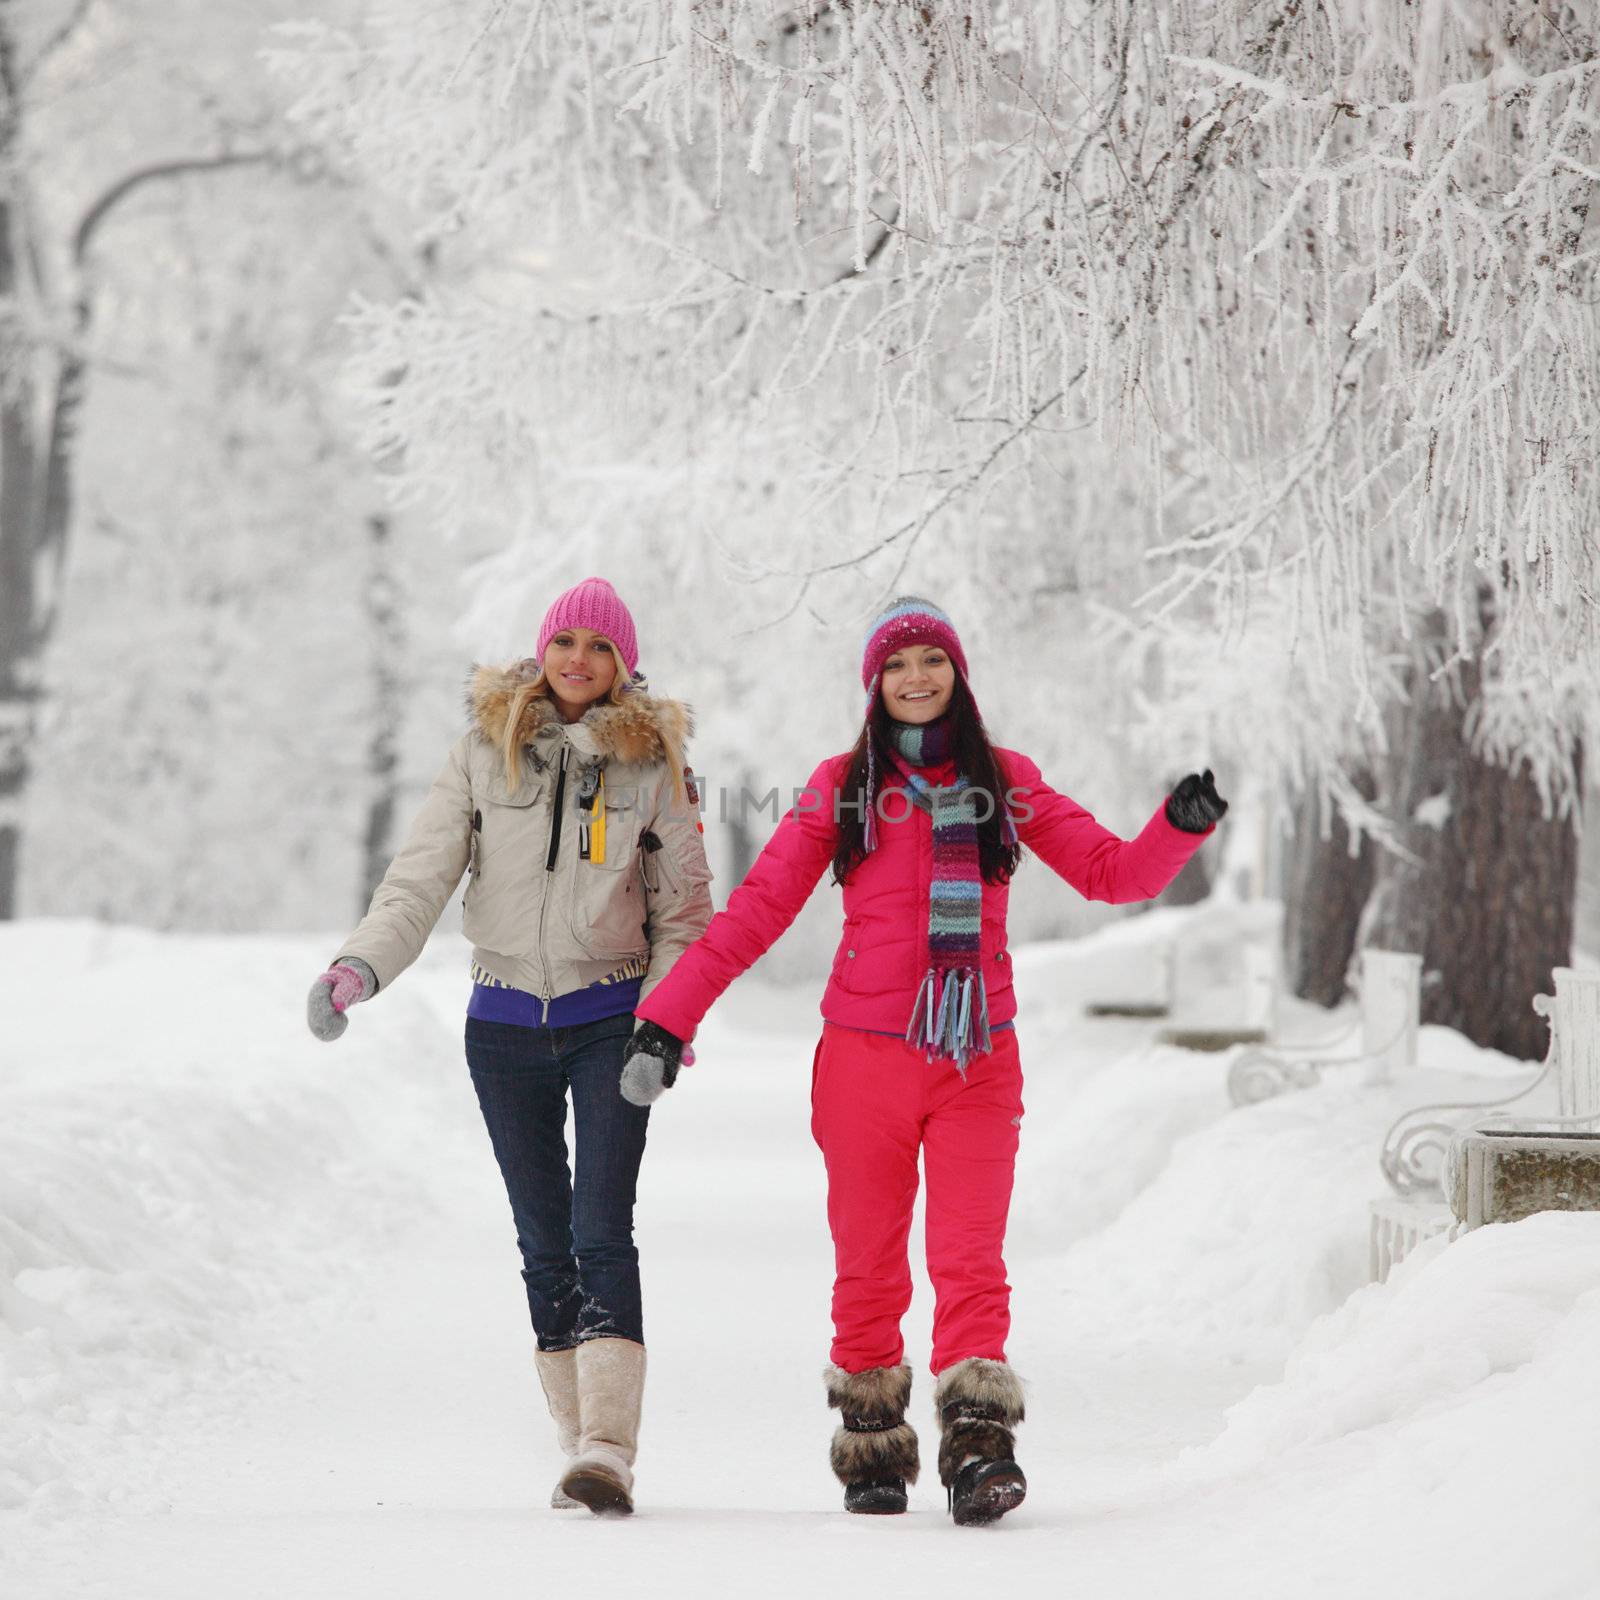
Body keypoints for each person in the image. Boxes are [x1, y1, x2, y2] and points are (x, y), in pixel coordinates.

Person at [619, 596, 1224, 1525]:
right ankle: (872, 1445)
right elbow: (756, 914)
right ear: (875, 684)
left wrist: (1176, 827)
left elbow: (1113, 874)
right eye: (897, 666)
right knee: (868, 1262)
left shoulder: (1006, 781)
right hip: (863, 1064)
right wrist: (667, 1019)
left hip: (976, 1056)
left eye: (931, 662)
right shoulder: (842, 786)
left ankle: (979, 1448)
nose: (915, 678)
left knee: (969, 1256)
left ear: (957, 673)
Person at [305, 576, 713, 1517]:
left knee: (601, 1228)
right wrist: (356, 970)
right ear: (543, 652)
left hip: (612, 1024)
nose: (579, 660)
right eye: (564, 641)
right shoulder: (485, 756)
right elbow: (419, 880)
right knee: (542, 1242)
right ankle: (578, 1441)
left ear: (621, 665)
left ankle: (609, 1450)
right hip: (501, 1030)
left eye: (598, 647)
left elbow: (686, 916)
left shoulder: (653, 768)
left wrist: (664, 1024)